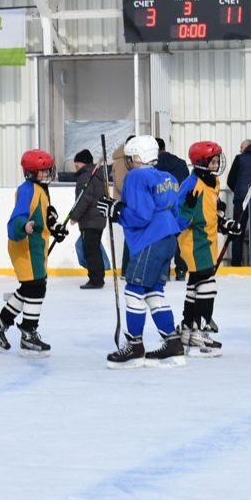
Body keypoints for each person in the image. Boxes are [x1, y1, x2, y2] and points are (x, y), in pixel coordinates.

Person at [98, 135, 185, 368]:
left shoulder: (136, 176)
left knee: (134, 290)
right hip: (168, 239)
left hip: (150, 240)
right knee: (154, 291)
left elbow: (141, 215)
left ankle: (135, 346)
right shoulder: (168, 177)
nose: (128, 162)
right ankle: (173, 343)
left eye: (130, 157)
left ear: (137, 156)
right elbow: (176, 213)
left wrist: (117, 212)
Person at [0, 150, 66, 357]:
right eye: (42, 171)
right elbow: (17, 217)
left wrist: (55, 228)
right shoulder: (28, 189)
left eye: (48, 170)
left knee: (30, 287)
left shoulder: (41, 189)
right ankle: (28, 333)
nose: (47, 174)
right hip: (25, 244)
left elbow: (44, 215)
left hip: (35, 244)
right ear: (30, 173)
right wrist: (23, 226)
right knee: (36, 287)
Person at [177, 141, 237, 357]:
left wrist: (226, 222)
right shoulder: (191, 184)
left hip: (208, 241)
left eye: (216, 160)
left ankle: (187, 328)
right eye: (212, 161)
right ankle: (200, 332)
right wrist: (187, 208)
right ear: (201, 162)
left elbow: (213, 211)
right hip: (194, 241)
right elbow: (179, 217)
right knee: (207, 284)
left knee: (195, 285)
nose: (216, 164)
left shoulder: (214, 183)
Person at [69, 149, 108, 289]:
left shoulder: (86, 176)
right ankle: (98, 277)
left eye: (77, 164)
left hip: (90, 219)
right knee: (94, 248)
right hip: (98, 218)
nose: (76, 167)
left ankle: (96, 279)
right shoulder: (97, 175)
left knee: (90, 250)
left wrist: (74, 216)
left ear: (84, 163)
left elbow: (84, 199)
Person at [156, 138, 190, 280]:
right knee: (179, 238)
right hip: (179, 204)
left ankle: (163, 271)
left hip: (161, 206)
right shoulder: (181, 163)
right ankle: (181, 270)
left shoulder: (154, 166)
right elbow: (187, 183)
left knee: (162, 239)